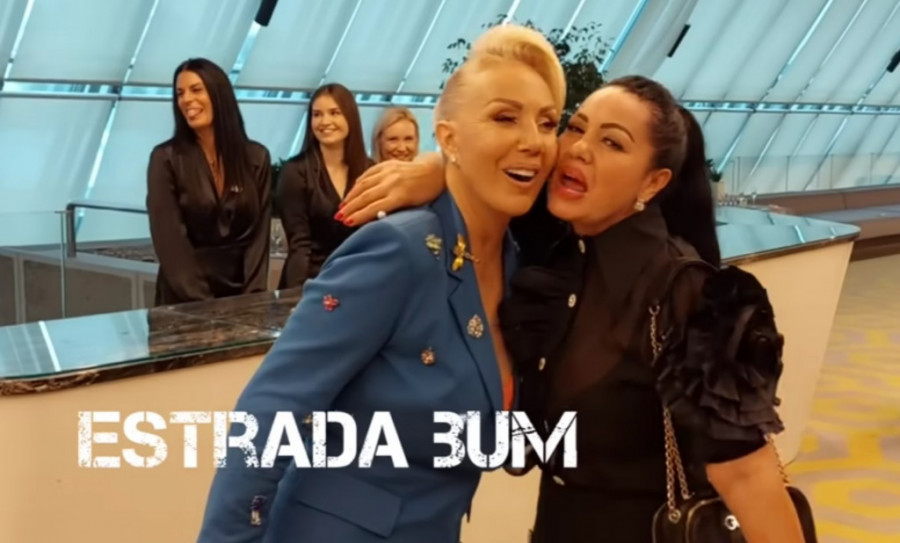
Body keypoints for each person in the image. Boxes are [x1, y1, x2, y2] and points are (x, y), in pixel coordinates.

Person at [339, 76, 806, 542]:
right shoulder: (554, 260)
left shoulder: (691, 294)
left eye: (611, 142)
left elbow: (749, 479)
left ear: (654, 181)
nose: (579, 149)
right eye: (576, 128)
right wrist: (441, 166)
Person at [196, 24, 565, 543]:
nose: (533, 141)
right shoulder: (399, 249)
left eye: (547, 123)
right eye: (505, 117)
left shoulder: (513, 263)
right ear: (449, 138)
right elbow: (270, 411)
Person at [146, 58, 271, 306]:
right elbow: (170, 243)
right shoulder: (166, 159)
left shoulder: (256, 158)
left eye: (196, 90)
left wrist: (254, 301)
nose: (186, 100)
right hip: (185, 299)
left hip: (242, 297)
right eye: (180, 93)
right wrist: (206, 306)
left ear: (219, 94)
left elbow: (259, 238)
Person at [276, 83, 373, 289]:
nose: (325, 121)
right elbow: (299, 245)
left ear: (350, 117)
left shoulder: (370, 171)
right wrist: (297, 296)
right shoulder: (295, 172)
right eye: (317, 114)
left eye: (334, 113)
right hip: (311, 283)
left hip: (358, 282)